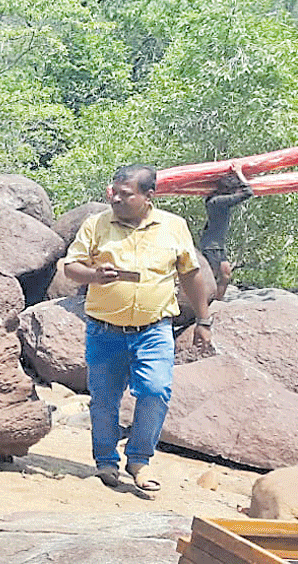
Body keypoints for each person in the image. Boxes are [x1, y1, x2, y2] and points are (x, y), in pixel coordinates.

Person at [62, 163, 212, 493]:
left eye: (125, 194)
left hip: (154, 330)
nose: (115, 198)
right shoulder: (96, 224)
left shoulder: (173, 226)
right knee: (104, 400)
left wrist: (203, 320)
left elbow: (190, 273)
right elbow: (71, 267)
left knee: (156, 391)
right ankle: (105, 462)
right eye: (113, 192)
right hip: (104, 331)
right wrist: (94, 276)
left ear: (148, 196)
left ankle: (139, 460)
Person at [201, 162, 253, 300]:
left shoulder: (216, 199)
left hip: (216, 245)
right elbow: (248, 192)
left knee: (225, 274)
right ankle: (204, 303)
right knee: (211, 276)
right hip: (211, 245)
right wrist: (239, 172)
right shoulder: (218, 202)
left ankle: (217, 302)